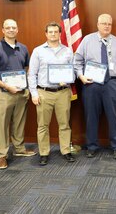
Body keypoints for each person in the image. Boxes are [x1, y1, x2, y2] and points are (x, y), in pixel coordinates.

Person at [74, 13, 116, 160]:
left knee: (115, 117)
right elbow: (77, 61)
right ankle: (92, 146)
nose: (106, 26)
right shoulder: (87, 40)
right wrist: (81, 76)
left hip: (113, 83)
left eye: (109, 24)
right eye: (103, 23)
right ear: (97, 24)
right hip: (92, 84)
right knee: (91, 116)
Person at [0, 19, 36, 170]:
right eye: (8, 27)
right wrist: (7, 86)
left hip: (20, 93)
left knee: (19, 122)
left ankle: (19, 149)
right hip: (3, 93)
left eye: (14, 27)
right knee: (2, 125)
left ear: (17, 30)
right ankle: (1, 155)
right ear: (3, 30)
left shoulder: (23, 48)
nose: (11, 30)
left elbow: (26, 68)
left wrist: (23, 85)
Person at [27, 22, 76, 166]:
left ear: (60, 34)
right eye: (50, 32)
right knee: (42, 125)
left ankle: (66, 150)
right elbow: (31, 74)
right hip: (44, 93)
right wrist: (34, 94)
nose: (53, 34)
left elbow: (73, 72)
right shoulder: (38, 51)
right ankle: (43, 153)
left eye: (56, 32)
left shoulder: (67, 51)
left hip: (62, 93)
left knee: (64, 124)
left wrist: (67, 79)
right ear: (46, 34)